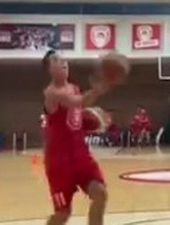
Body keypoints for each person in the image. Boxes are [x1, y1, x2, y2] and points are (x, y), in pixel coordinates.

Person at [42, 50, 125, 225]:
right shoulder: (51, 93)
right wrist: (97, 89)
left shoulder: (74, 88)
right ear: (49, 69)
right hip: (59, 163)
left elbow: (78, 111)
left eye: (63, 59)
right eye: (56, 60)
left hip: (81, 156)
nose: (62, 62)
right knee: (63, 214)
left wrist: (94, 120)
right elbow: (76, 102)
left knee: (100, 194)